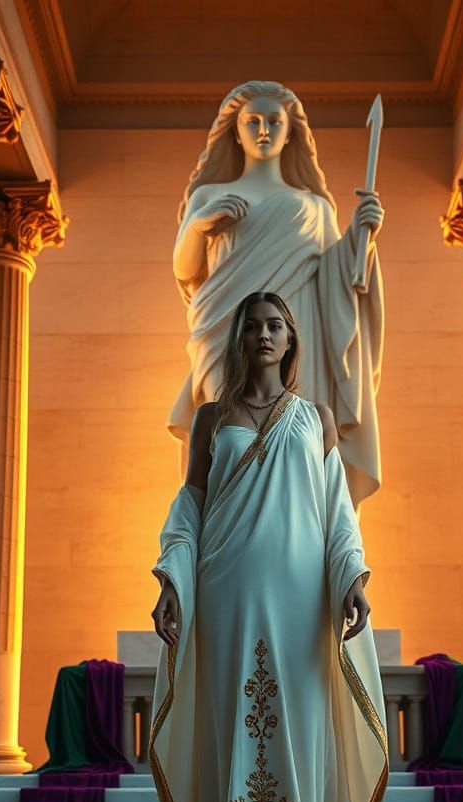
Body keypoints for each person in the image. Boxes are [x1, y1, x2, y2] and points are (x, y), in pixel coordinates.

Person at [149, 291, 389, 802]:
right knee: (234, 732)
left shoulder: (316, 419)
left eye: (275, 325)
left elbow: (339, 509)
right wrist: (173, 578)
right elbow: (191, 506)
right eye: (252, 324)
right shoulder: (210, 418)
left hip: (298, 598)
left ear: (291, 340)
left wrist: (353, 578)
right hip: (225, 592)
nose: (263, 334)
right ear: (239, 337)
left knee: (299, 732)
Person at [169, 80, 385, 507]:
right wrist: (199, 225)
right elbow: (185, 268)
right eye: (253, 121)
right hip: (225, 332)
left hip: (296, 329)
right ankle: (227, 534)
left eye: (274, 121)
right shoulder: (209, 195)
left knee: (297, 442)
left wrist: (362, 235)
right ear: (235, 130)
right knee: (229, 438)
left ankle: (301, 541)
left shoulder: (314, 206)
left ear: (291, 132)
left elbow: (337, 277)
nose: (263, 129)